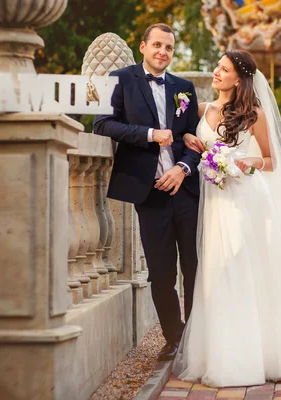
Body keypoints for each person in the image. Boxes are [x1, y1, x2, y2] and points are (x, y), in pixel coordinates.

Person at [172, 50, 281, 387]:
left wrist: (247, 163)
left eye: (224, 69)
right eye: (217, 66)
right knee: (217, 270)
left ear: (238, 79)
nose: (216, 72)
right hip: (214, 202)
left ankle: (257, 355)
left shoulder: (254, 114)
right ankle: (220, 351)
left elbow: (272, 160)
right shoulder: (204, 110)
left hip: (245, 199)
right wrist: (192, 141)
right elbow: (195, 144)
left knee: (241, 268)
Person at [93, 24, 200, 361]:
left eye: (168, 47)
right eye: (157, 45)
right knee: (161, 270)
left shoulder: (184, 88)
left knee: (195, 266)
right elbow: (103, 125)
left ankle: (199, 335)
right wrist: (150, 134)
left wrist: (182, 169)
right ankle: (174, 336)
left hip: (186, 191)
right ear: (143, 47)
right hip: (149, 193)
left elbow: (195, 141)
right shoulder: (122, 79)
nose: (162, 52)